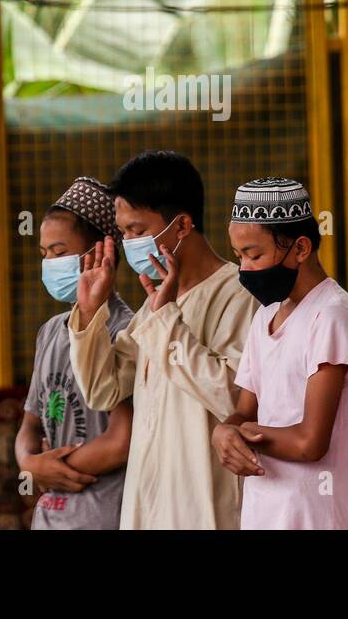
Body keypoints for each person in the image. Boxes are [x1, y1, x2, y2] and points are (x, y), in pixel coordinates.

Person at [70, 150, 258, 529]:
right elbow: (102, 391)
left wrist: (167, 319)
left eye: (138, 230)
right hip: (147, 507)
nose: (129, 242)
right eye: (123, 232)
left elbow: (234, 398)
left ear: (182, 225)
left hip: (205, 510)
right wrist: (90, 312)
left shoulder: (241, 294)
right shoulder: (151, 307)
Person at [213, 177, 348, 530]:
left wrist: (243, 434)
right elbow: (243, 411)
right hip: (261, 515)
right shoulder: (264, 316)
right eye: (239, 256)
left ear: (300, 248)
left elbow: (310, 442)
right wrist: (223, 433)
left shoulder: (332, 315)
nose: (244, 269)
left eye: (253, 255)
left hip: (315, 518)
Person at [15, 177, 134, 530]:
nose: (50, 262)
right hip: (51, 518)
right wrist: (28, 463)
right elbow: (29, 426)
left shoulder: (127, 330)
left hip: (103, 516)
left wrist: (51, 468)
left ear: (101, 251)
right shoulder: (50, 332)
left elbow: (121, 440)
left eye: (60, 251)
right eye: (45, 253)